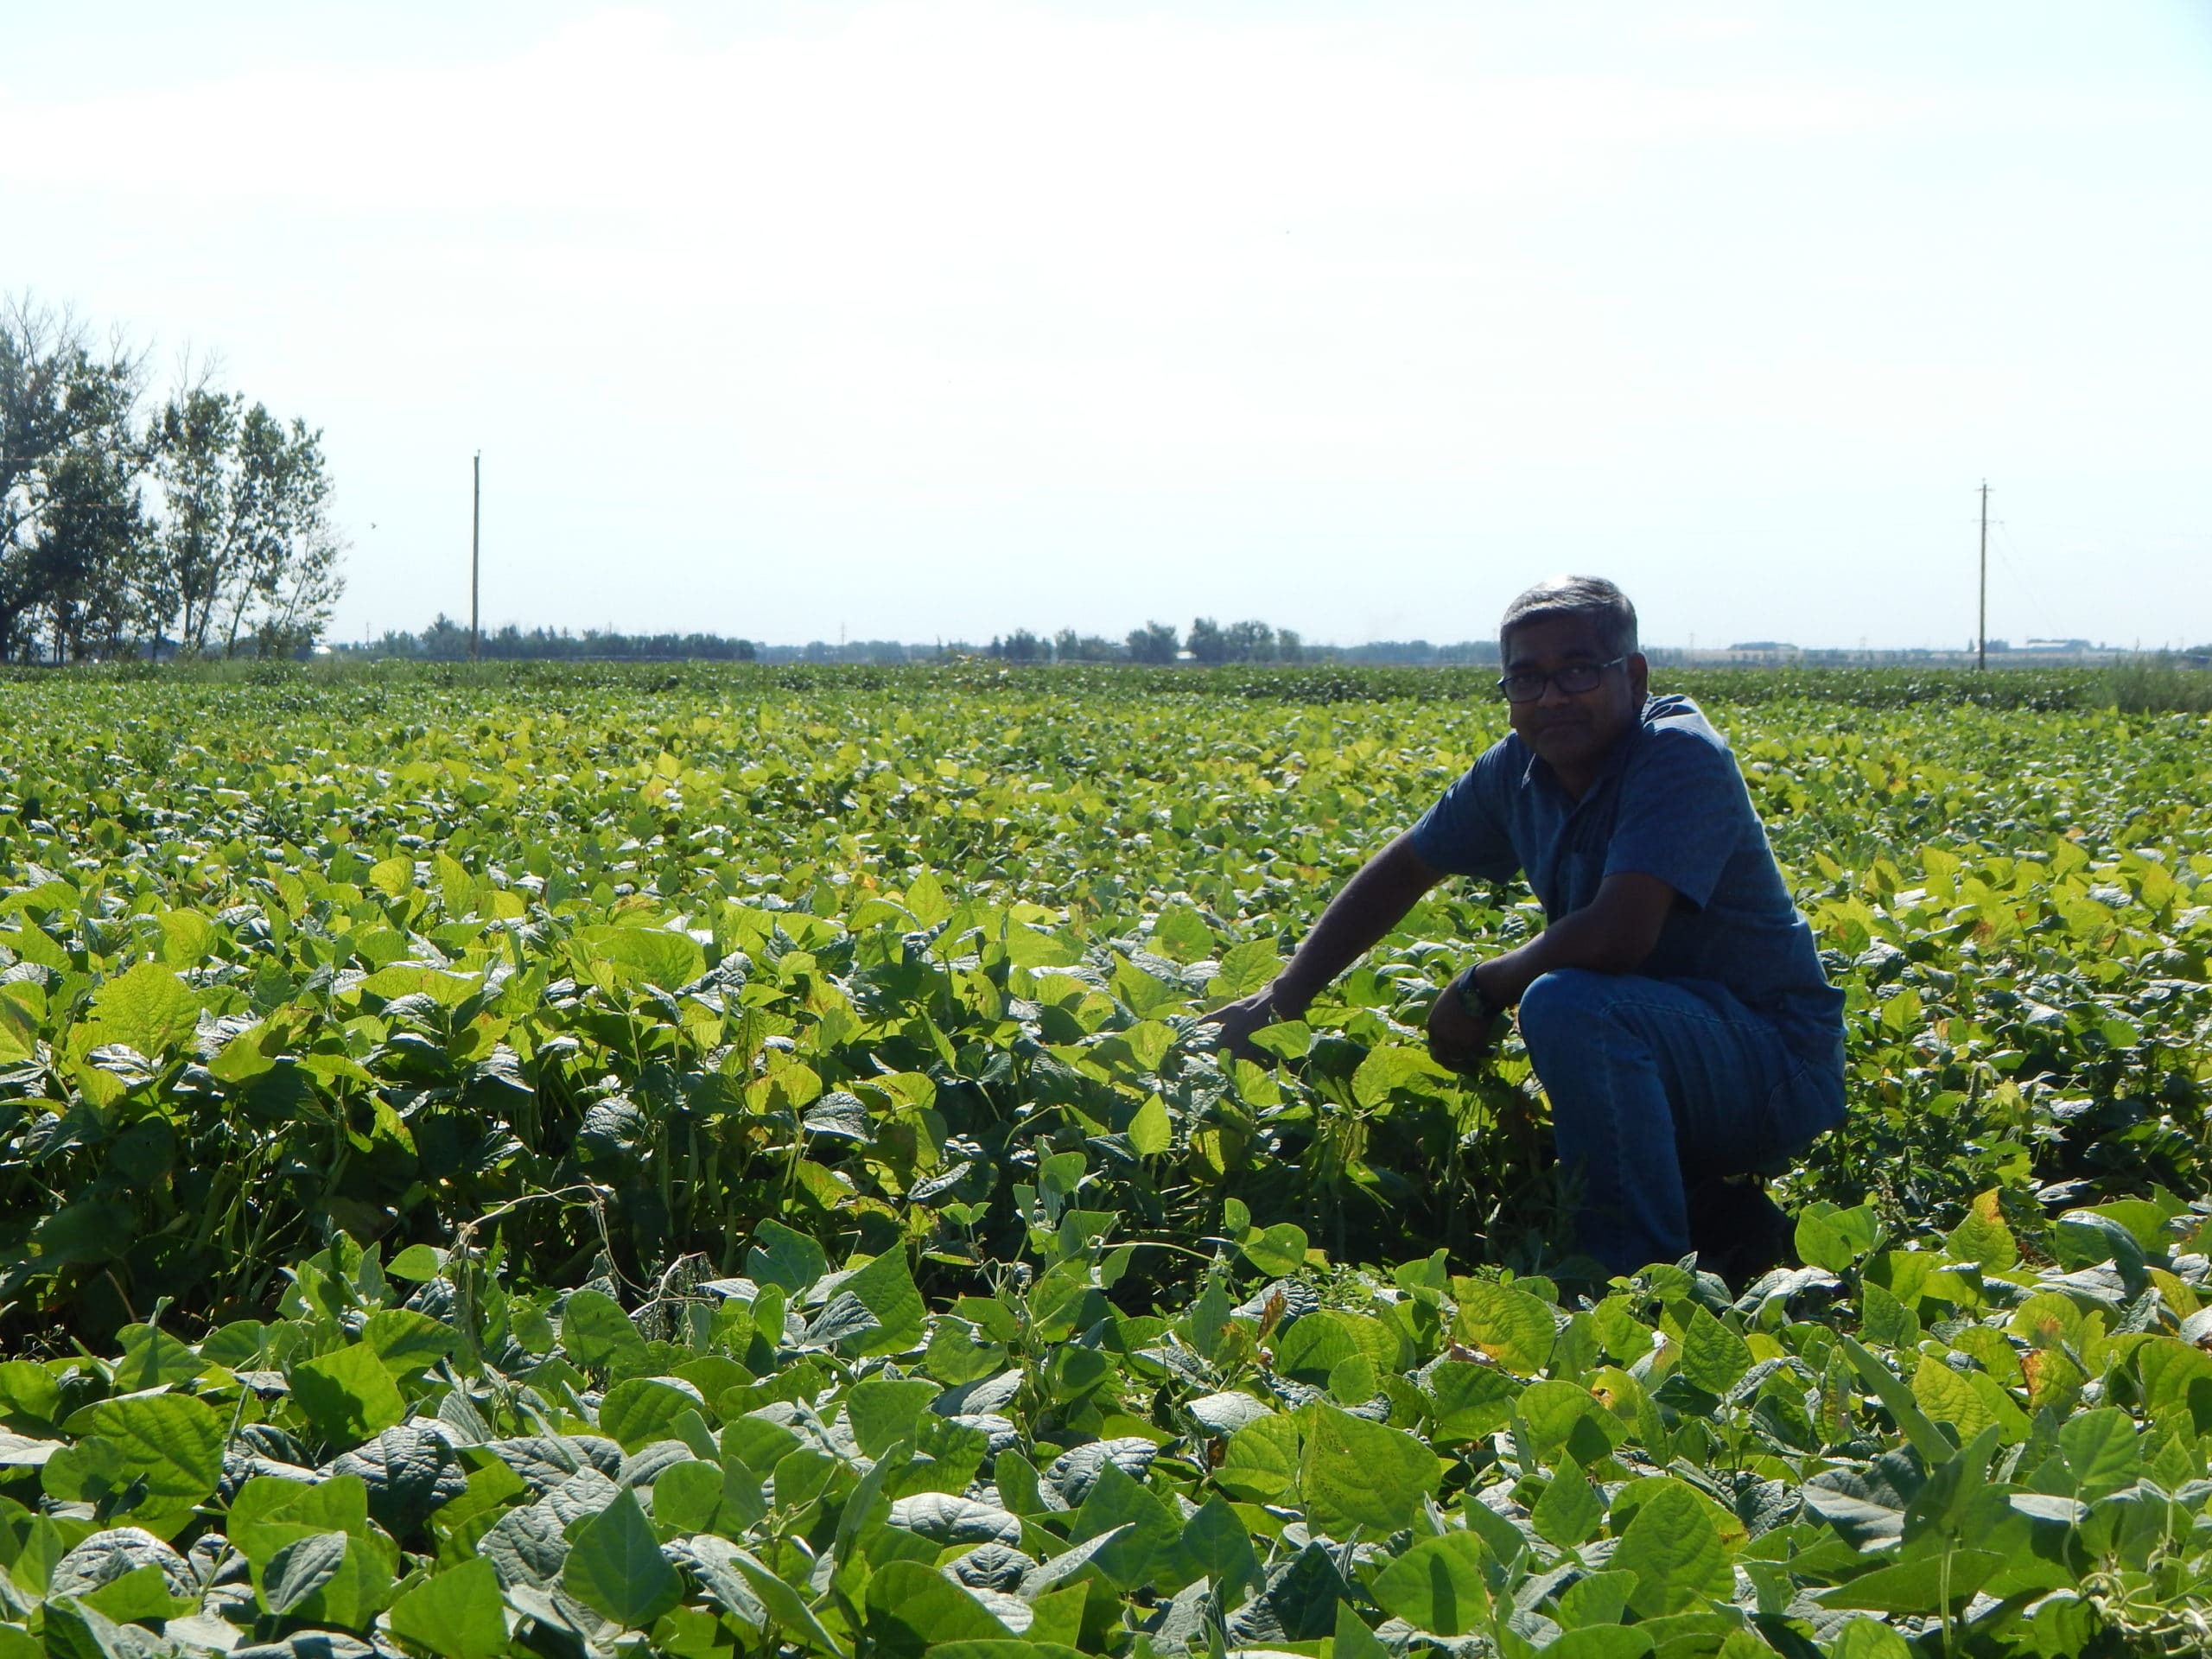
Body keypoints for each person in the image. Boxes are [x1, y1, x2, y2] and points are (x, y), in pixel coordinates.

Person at [1205, 576, 1846, 1280]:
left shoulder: (1678, 754)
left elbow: (1618, 934)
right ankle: (1708, 1215)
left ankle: (1631, 1278)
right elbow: (1407, 867)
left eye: (1577, 671)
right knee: (1576, 1005)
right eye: (1526, 679)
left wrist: (1483, 985)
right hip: (1672, 1044)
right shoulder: (1519, 767)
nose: (1550, 698)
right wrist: (1284, 997)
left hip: (1776, 1065)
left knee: (1567, 1002)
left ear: (1631, 676)